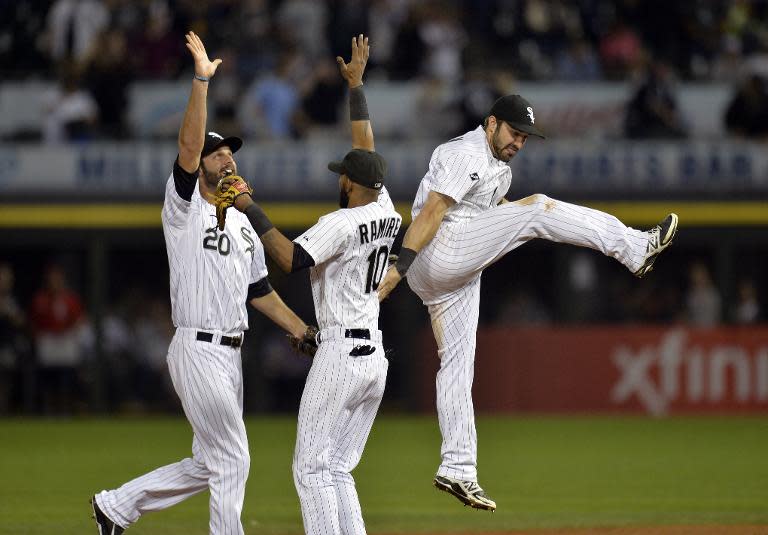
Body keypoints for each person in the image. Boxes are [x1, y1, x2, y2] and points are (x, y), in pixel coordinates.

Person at [377, 94, 679, 511]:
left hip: (452, 272)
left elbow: (493, 215)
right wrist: (398, 267)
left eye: (525, 137)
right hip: (436, 249)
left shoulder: (498, 169)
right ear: (491, 123)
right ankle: (634, 248)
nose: (519, 142)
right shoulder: (466, 152)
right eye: (514, 132)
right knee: (537, 208)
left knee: (458, 365)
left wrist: (508, 219)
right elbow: (431, 212)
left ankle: (458, 468)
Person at [90, 32, 313, 535]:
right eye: (219, 155)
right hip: (196, 345)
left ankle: (116, 506)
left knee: (211, 462)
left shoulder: (245, 224)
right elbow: (190, 146)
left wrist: (302, 329)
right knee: (234, 456)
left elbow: (261, 293)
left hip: (231, 354)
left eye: (230, 153)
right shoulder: (183, 210)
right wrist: (201, 81)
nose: (227, 158)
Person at [218, 35, 400, 535]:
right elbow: (367, 148)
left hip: (341, 354)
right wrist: (357, 87)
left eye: (343, 175)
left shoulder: (340, 223)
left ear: (350, 185)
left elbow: (290, 258)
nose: (339, 178)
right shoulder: (386, 209)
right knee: (338, 468)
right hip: (375, 358)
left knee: (311, 469)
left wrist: (248, 207)